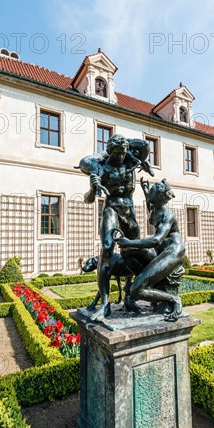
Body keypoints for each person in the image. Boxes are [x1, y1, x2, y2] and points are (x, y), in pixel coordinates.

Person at [77, 134, 153, 321]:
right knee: (107, 249)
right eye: (117, 154)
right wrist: (94, 188)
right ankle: (104, 304)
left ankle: (130, 296)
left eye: (123, 153)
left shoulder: (131, 161)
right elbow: (88, 199)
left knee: (136, 251)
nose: (121, 158)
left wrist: (123, 143)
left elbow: (144, 145)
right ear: (110, 152)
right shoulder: (101, 167)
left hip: (129, 211)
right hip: (111, 208)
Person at [116, 178, 185, 321]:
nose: (149, 195)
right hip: (160, 250)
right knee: (127, 252)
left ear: (159, 197)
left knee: (137, 290)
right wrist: (145, 190)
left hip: (173, 251)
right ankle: (146, 281)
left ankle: (173, 299)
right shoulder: (156, 207)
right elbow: (150, 206)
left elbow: (156, 240)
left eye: (152, 192)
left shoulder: (168, 215)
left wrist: (129, 242)